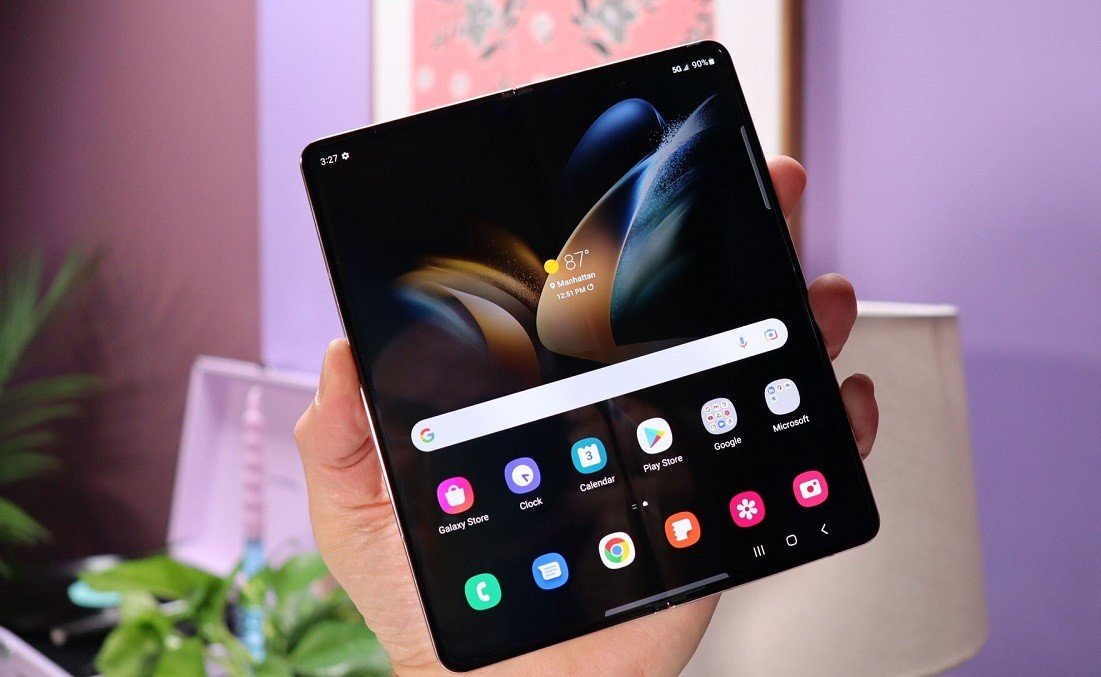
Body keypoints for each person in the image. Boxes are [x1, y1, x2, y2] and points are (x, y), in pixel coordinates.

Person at [294, 156, 880, 675]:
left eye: (508, 427)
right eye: (429, 427)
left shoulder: (628, 527)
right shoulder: (450, 600)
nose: (454, 470)